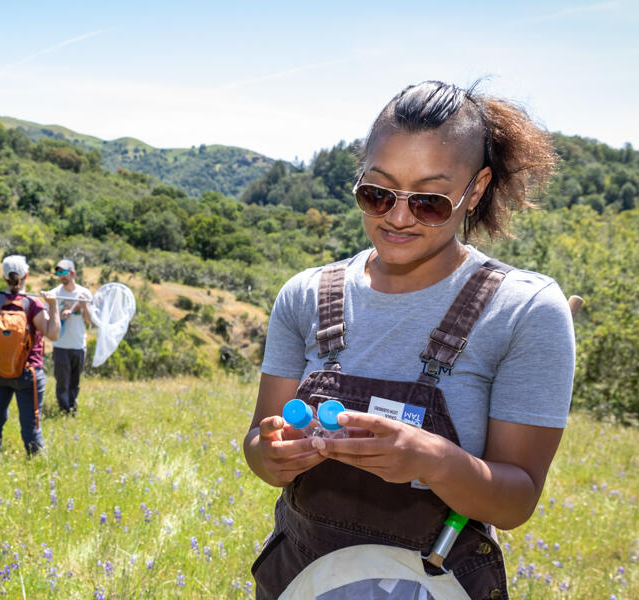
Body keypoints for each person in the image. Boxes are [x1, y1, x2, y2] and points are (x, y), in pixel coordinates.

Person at [244, 81, 575, 599]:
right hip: (298, 581)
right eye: (376, 193)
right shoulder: (305, 295)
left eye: (429, 201)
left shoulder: (524, 310)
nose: (397, 218)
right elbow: (259, 447)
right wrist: (272, 454)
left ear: (477, 188)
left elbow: (516, 501)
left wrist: (432, 460)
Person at [0, 255, 59, 454]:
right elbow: (53, 334)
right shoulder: (33, 303)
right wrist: (53, 306)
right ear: (26, 275)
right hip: (28, 373)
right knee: (31, 424)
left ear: (4, 277)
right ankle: (35, 459)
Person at [48, 258, 94, 415]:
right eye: (58, 273)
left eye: (64, 272)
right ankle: (64, 410)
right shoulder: (54, 294)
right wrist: (61, 316)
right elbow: (49, 319)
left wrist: (85, 306)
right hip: (61, 345)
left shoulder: (84, 293)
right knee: (62, 382)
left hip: (79, 345)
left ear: (73, 273)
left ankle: (73, 408)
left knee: (75, 381)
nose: (61, 275)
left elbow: (89, 320)